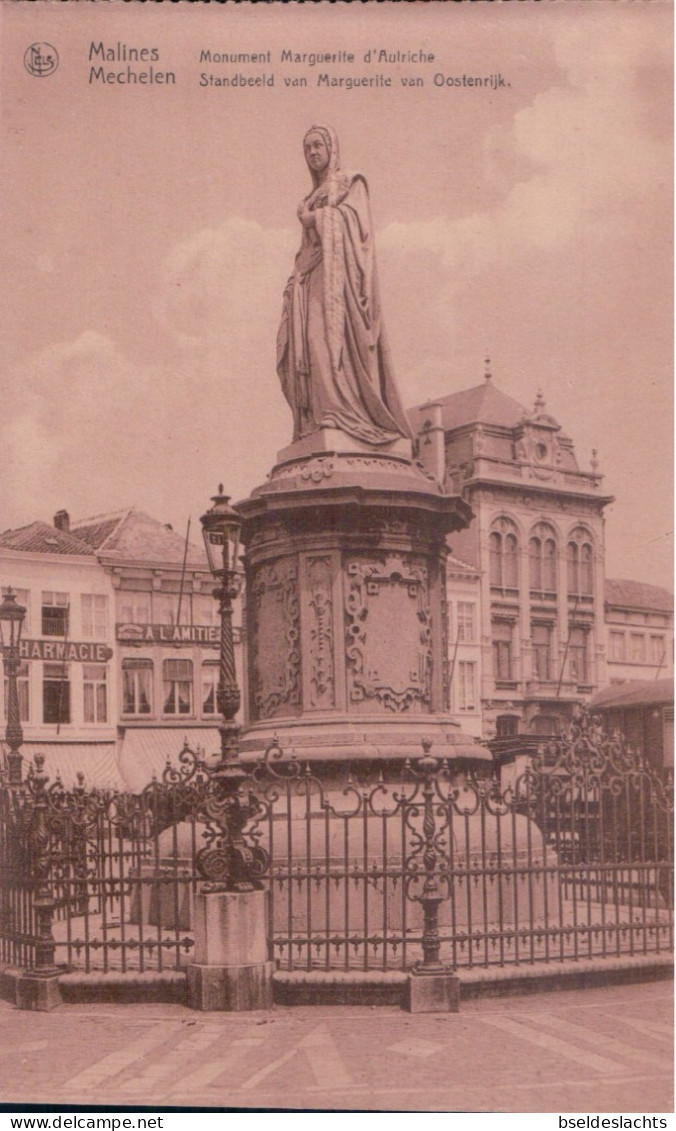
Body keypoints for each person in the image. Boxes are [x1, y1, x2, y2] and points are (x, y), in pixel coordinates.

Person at [276, 125, 413, 447]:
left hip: (339, 282)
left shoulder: (351, 183)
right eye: (307, 148)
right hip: (309, 279)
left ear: (331, 148)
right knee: (306, 348)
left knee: (322, 340)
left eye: (318, 146)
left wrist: (316, 219)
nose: (312, 153)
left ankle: (339, 412)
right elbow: (304, 249)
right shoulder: (309, 198)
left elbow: (358, 226)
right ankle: (316, 418)